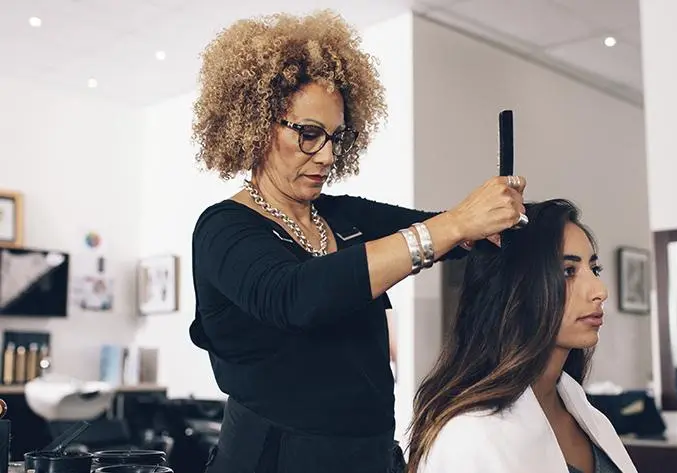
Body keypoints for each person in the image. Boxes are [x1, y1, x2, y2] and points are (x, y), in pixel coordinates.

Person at [188, 10, 528, 473]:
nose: (327, 155)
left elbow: (452, 232)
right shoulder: (223, 230)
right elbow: (296, 295)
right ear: (256, 125)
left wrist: (494, 222)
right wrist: (454, 225)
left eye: (336, 137)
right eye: (309, 134)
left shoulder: (344, 216)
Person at [408, 199, 638, 473]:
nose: (600, 290)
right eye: (568, 271)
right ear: (515, 290)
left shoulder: (591, 419)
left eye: (594, 269)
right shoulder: (468, 437)